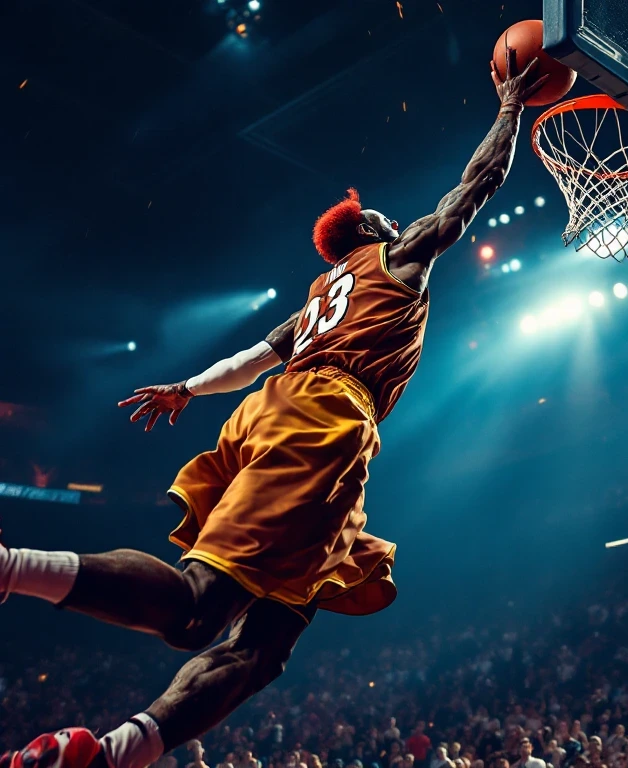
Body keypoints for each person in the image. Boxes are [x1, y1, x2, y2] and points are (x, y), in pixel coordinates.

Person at [0, 49, 550, 768]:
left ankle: (108, 755)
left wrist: (188, 389)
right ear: (375, 236)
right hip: (323, 421)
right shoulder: (396, 259)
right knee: (199, 608)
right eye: (385, 219)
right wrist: (510, 107)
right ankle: (10, 565)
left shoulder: (314, 303)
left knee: (267, 644)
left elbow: (252, 361)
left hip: (280, 413)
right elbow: (474, 187)